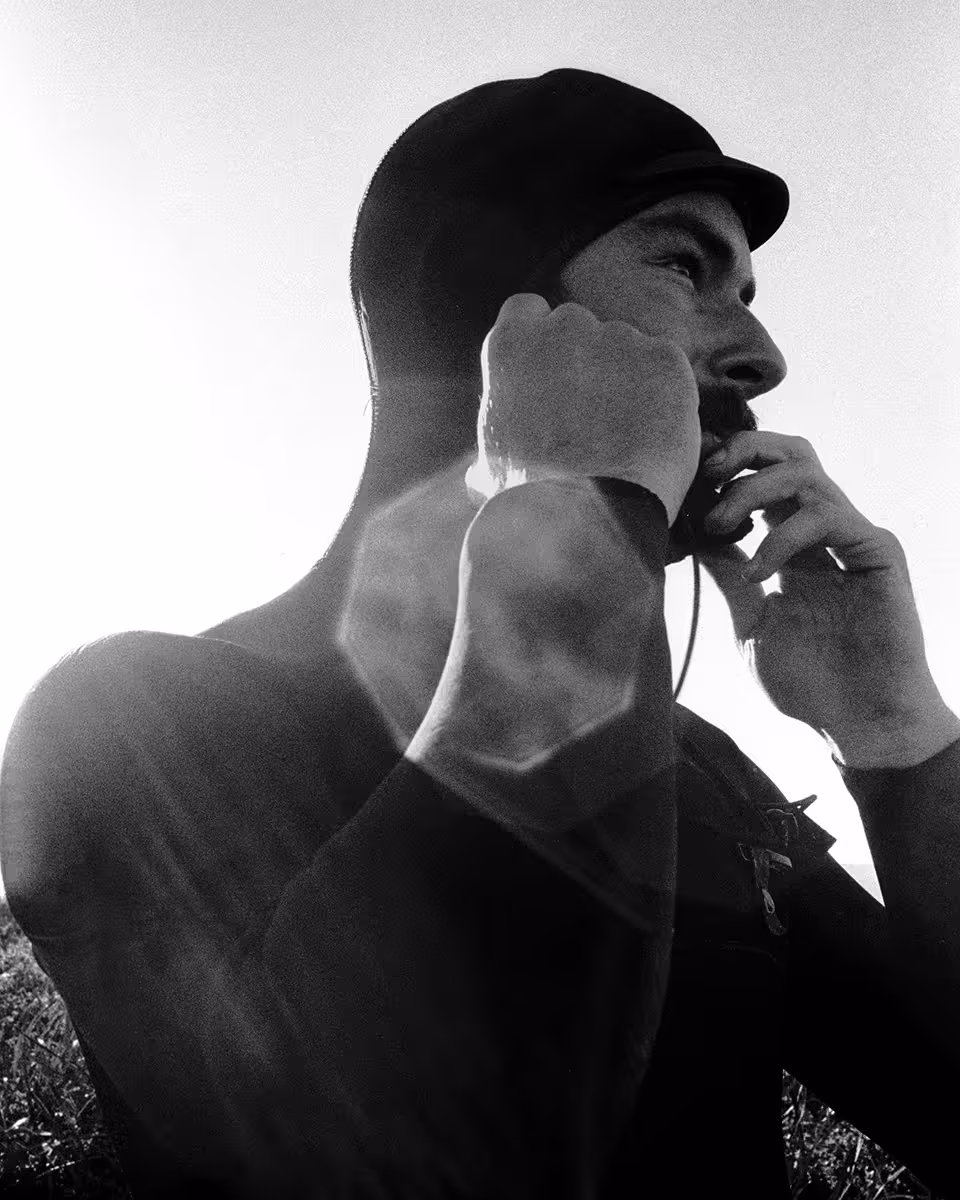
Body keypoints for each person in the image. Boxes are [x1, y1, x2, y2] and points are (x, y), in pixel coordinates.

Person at [2, 66, 959, 1199]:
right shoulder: (132, 726)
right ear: (482, 312)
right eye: (683, 265)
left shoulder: (694, 767)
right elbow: (420, 1159)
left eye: (748, 289)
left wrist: (900, 738)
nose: (762, 354)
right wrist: (568, 533)